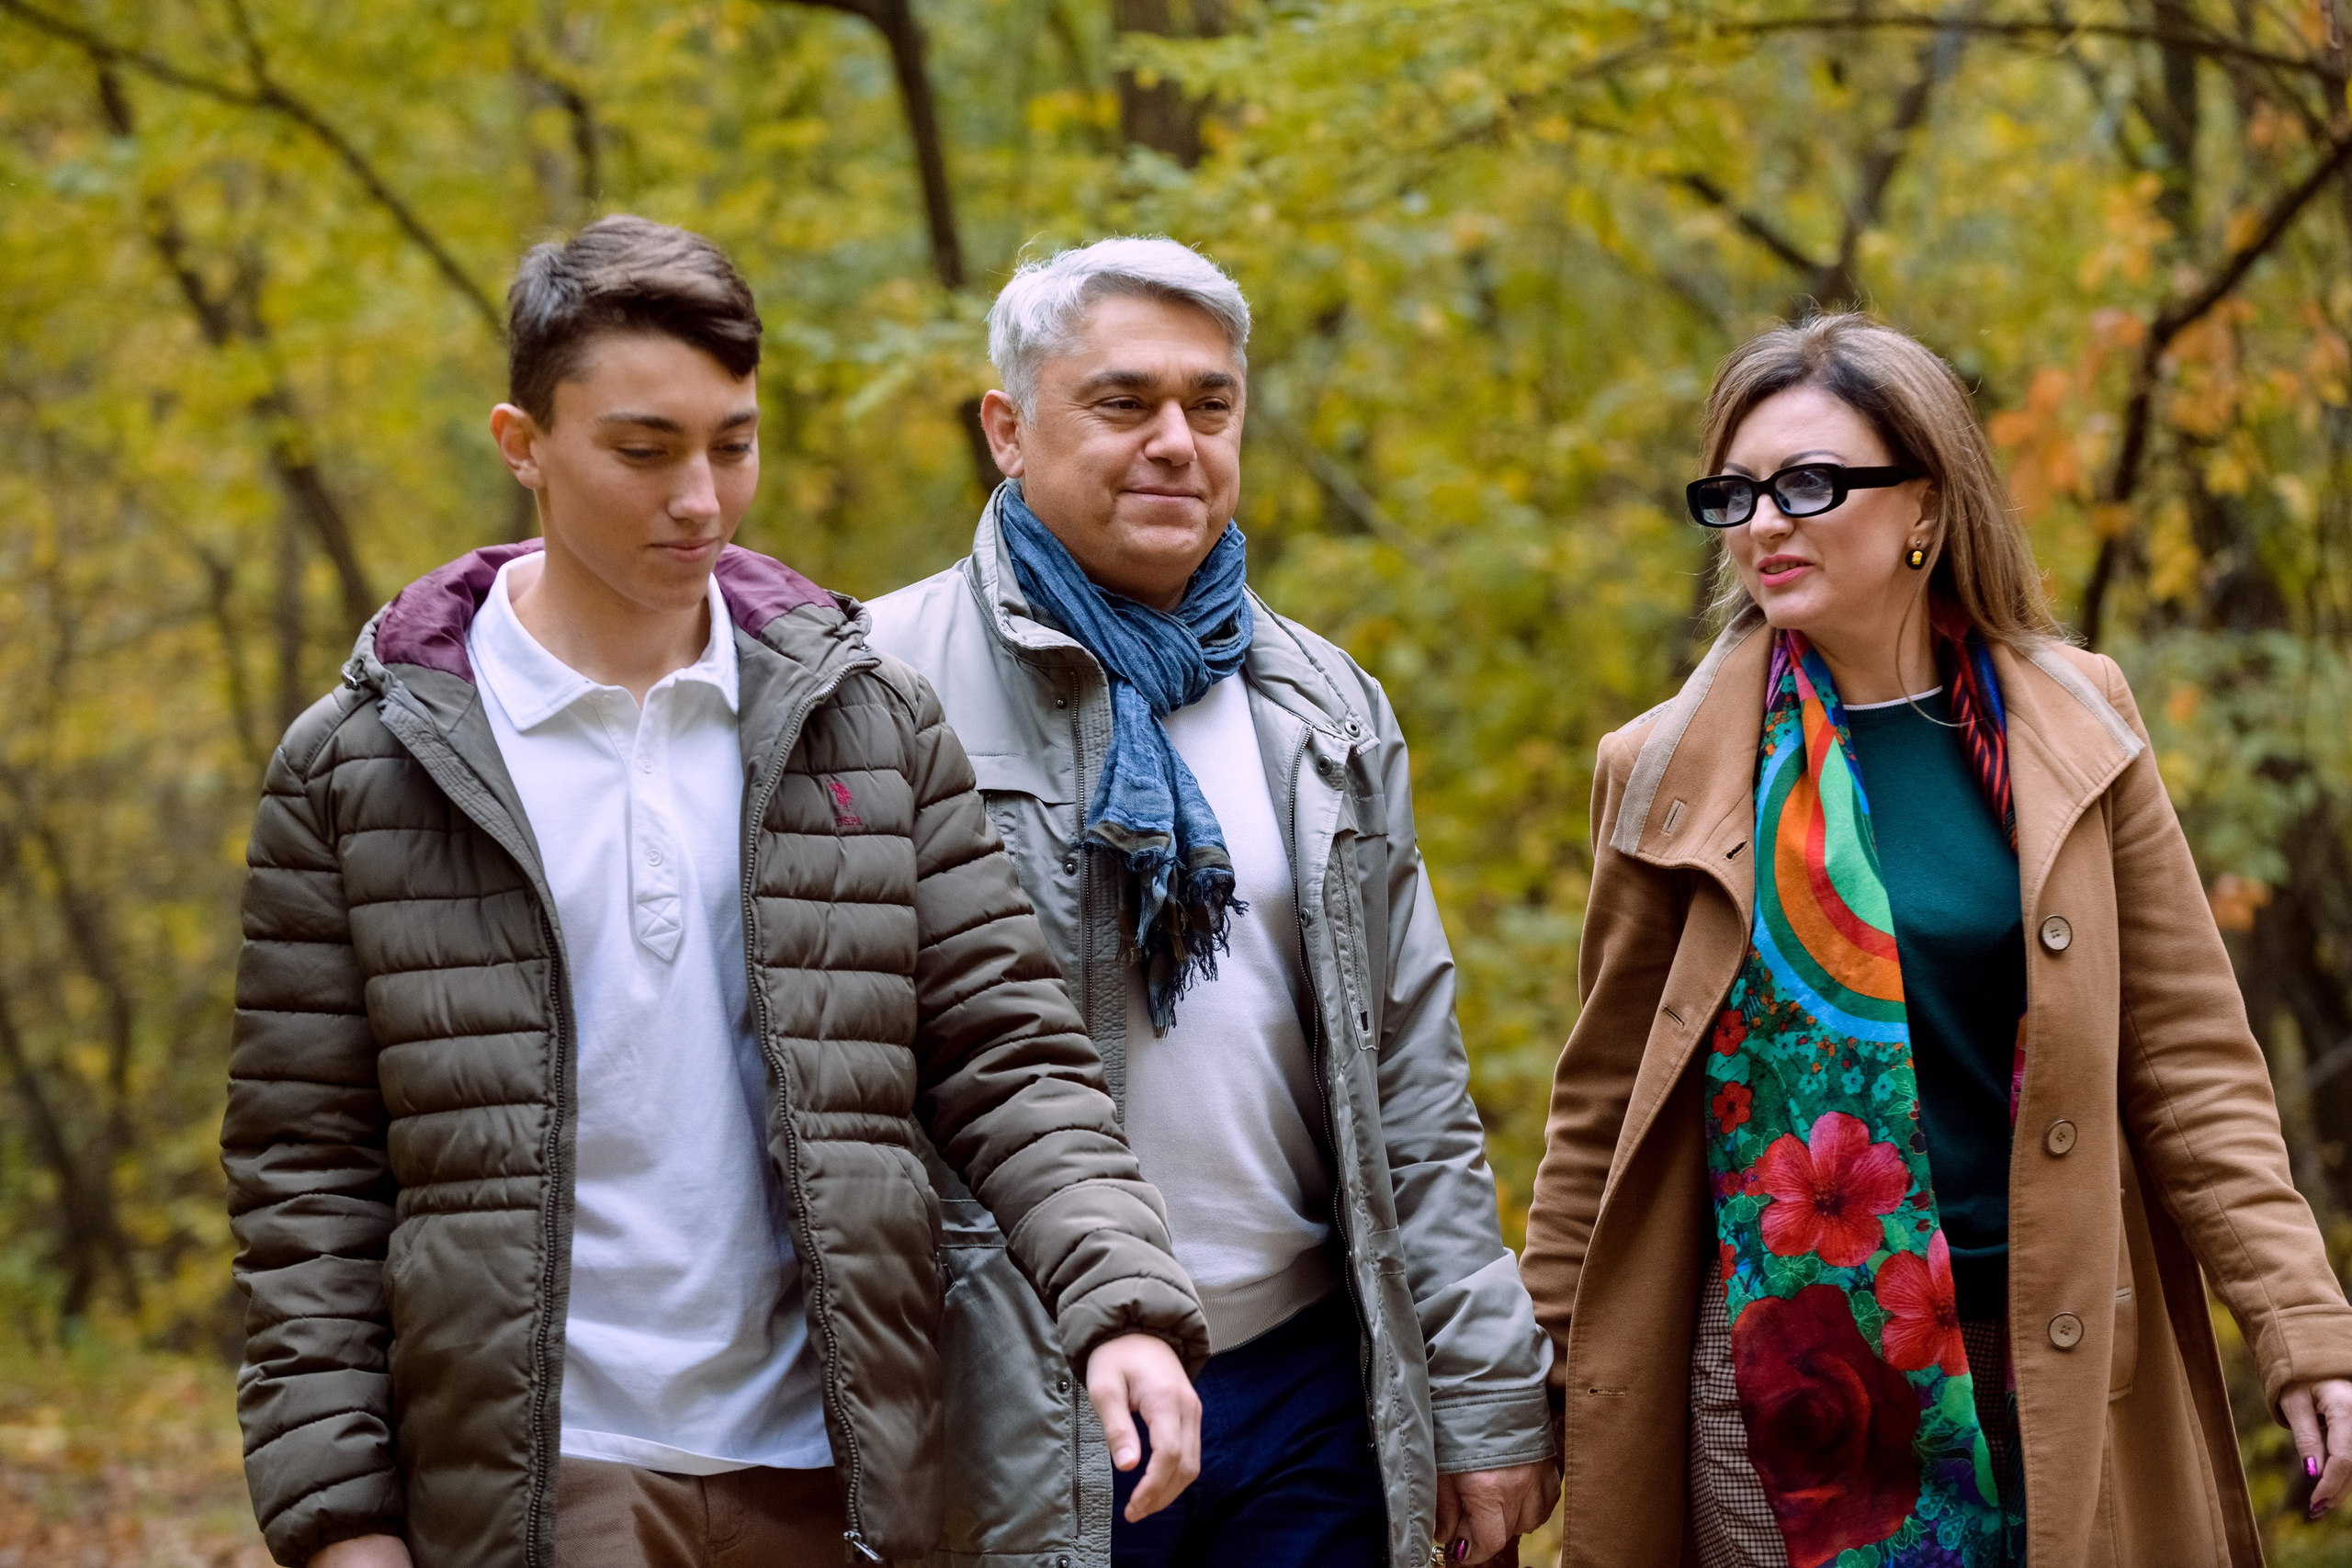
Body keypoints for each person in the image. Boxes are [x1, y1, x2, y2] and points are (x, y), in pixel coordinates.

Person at [221, 215, 1208, 1568]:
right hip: (545, 1480)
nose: (700, 498)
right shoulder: (365, 765)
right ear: (524, 446)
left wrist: (1123, 1303)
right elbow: (308, 1183)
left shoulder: (865, 721)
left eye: (732, 445)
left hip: (841, 1465)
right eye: (645, 450)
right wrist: (341, 1521)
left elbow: (1009, 1056)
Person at [1520, 311, 2352, 1568]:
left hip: (2056, 1351)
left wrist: (2303, 1328)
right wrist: (1524, 1398)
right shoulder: (1668, 769)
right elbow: (1601, 1122)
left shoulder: (2075, 721)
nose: (1763, 523)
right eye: (1735, 494)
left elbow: (2191, 1065)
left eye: (1808, 484)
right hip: (1782, 1404)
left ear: (1928, 506)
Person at [865, 236, 1556, 1568]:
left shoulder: (1323, 708)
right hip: (1023, 1381)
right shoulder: (878, 687)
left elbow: (1410, 1076)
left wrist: (1478, 1394)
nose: (1177, 441)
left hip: (1309, 1385)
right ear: (1007, 427)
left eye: (1212, 404)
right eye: (1124, 403)